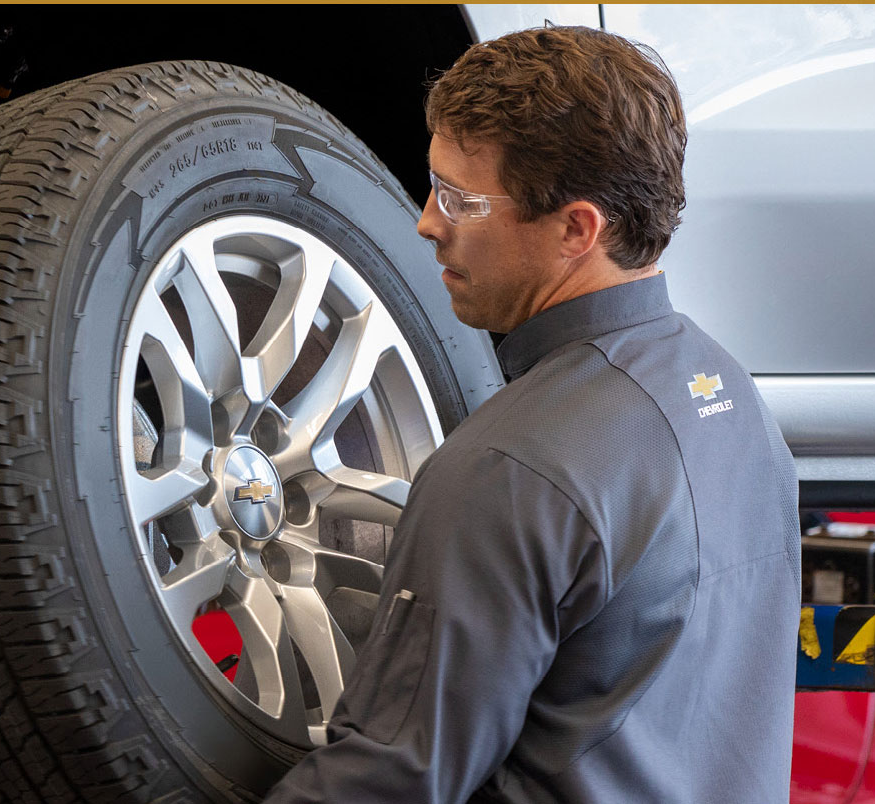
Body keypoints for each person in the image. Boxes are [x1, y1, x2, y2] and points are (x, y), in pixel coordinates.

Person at [264, 25, 799, 803]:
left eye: (460, 199)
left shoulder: (511, 470)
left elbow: (391, 781)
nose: (427, 221)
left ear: (577, 229)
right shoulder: (732, 396)